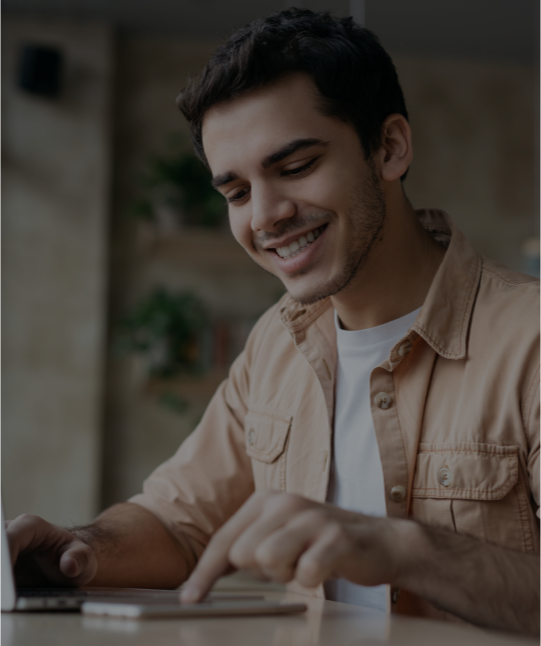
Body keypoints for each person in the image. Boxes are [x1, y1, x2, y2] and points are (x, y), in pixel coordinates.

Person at [8, 8, 541, 635]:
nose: (265, 216)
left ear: (390, 147)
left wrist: (402, 549)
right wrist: (79, 549)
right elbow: (178, 521)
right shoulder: (276, 345)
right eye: (235, 193)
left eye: (295, 167)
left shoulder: (528, 338)